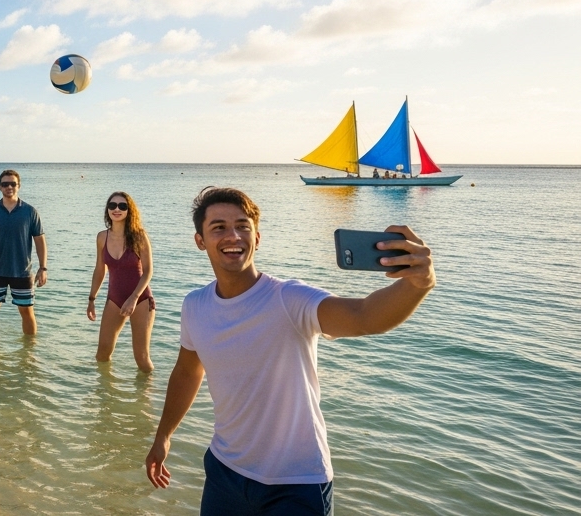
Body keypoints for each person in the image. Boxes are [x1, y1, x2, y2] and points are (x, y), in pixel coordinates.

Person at [145, 187, 436, 516]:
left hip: (298, 483)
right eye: (219, 227)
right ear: (200, 241)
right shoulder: (195, 305)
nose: (233, 236)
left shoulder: (289, 299)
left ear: (257, 238)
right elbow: (187, 372)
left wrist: (417, 283)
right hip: (224, 471)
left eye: (243, 226)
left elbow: (365, 317)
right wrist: (163, 436)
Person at [85, 191, 155, 370]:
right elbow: (100, 270)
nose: (117, 209)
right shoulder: (102, 237)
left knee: (141, 357)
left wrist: (133, 298)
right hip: (114, 299)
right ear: (107, 209)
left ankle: (146, 396)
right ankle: (106, 395)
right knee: (102, 354)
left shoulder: (139, 236)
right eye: (112, 205)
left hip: (140, 299)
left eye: (122, 206)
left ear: (129, 210)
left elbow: (148, 271)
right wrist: (92, 299)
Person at [0, 169, 48, 336]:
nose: (9, 187)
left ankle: (28, 354)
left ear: (18, 186)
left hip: (22, 271)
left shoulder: (30, 211)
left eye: (13, 184)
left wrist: (43, 268)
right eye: (5, 184)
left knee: (27, 312)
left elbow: (40, 241)